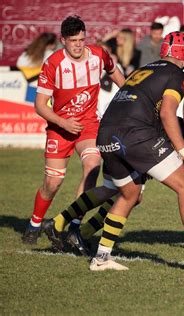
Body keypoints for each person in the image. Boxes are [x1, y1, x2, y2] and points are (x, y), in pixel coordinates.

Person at [89, 31, 184, 272]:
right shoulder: (177, 74)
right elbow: (167, 113)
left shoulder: (144, 69)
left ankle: (101, 257)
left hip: (105, 134)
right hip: (135, 134)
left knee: (129, 195)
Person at [42, 118, 184, 256]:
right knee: (120, 193)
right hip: (139, 143)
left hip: (140, 146)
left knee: (125, 194)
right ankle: (64, 224)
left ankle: (78, 230)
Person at [21, 15, 125, 244]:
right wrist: (63, 122)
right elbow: (40, 105)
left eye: (81, 39)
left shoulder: (98, 54)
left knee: (92, 166)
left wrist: (129, 95)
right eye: (73, 40)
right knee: (52, 183)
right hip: (60, 128)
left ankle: (75, 225)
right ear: (63, 40)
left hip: (88, 124)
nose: (78, 44)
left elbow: (115, 72)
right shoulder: (54, 63)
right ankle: (35, 223)